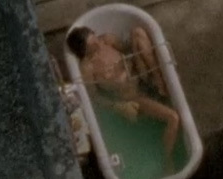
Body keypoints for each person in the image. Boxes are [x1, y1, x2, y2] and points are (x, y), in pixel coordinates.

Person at [67, 25, 179, 163]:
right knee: (173, 118)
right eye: (93, 45)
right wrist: (118, 106)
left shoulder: (107, 40)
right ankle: (167, 160)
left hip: (140, 75)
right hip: (134, 96)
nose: (99, 44)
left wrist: (136, 59)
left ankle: (159, 80)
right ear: (84, 52)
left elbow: (127, 50)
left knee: (138, 32)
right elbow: (94, 98)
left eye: (96, 38)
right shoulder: (87, 68)